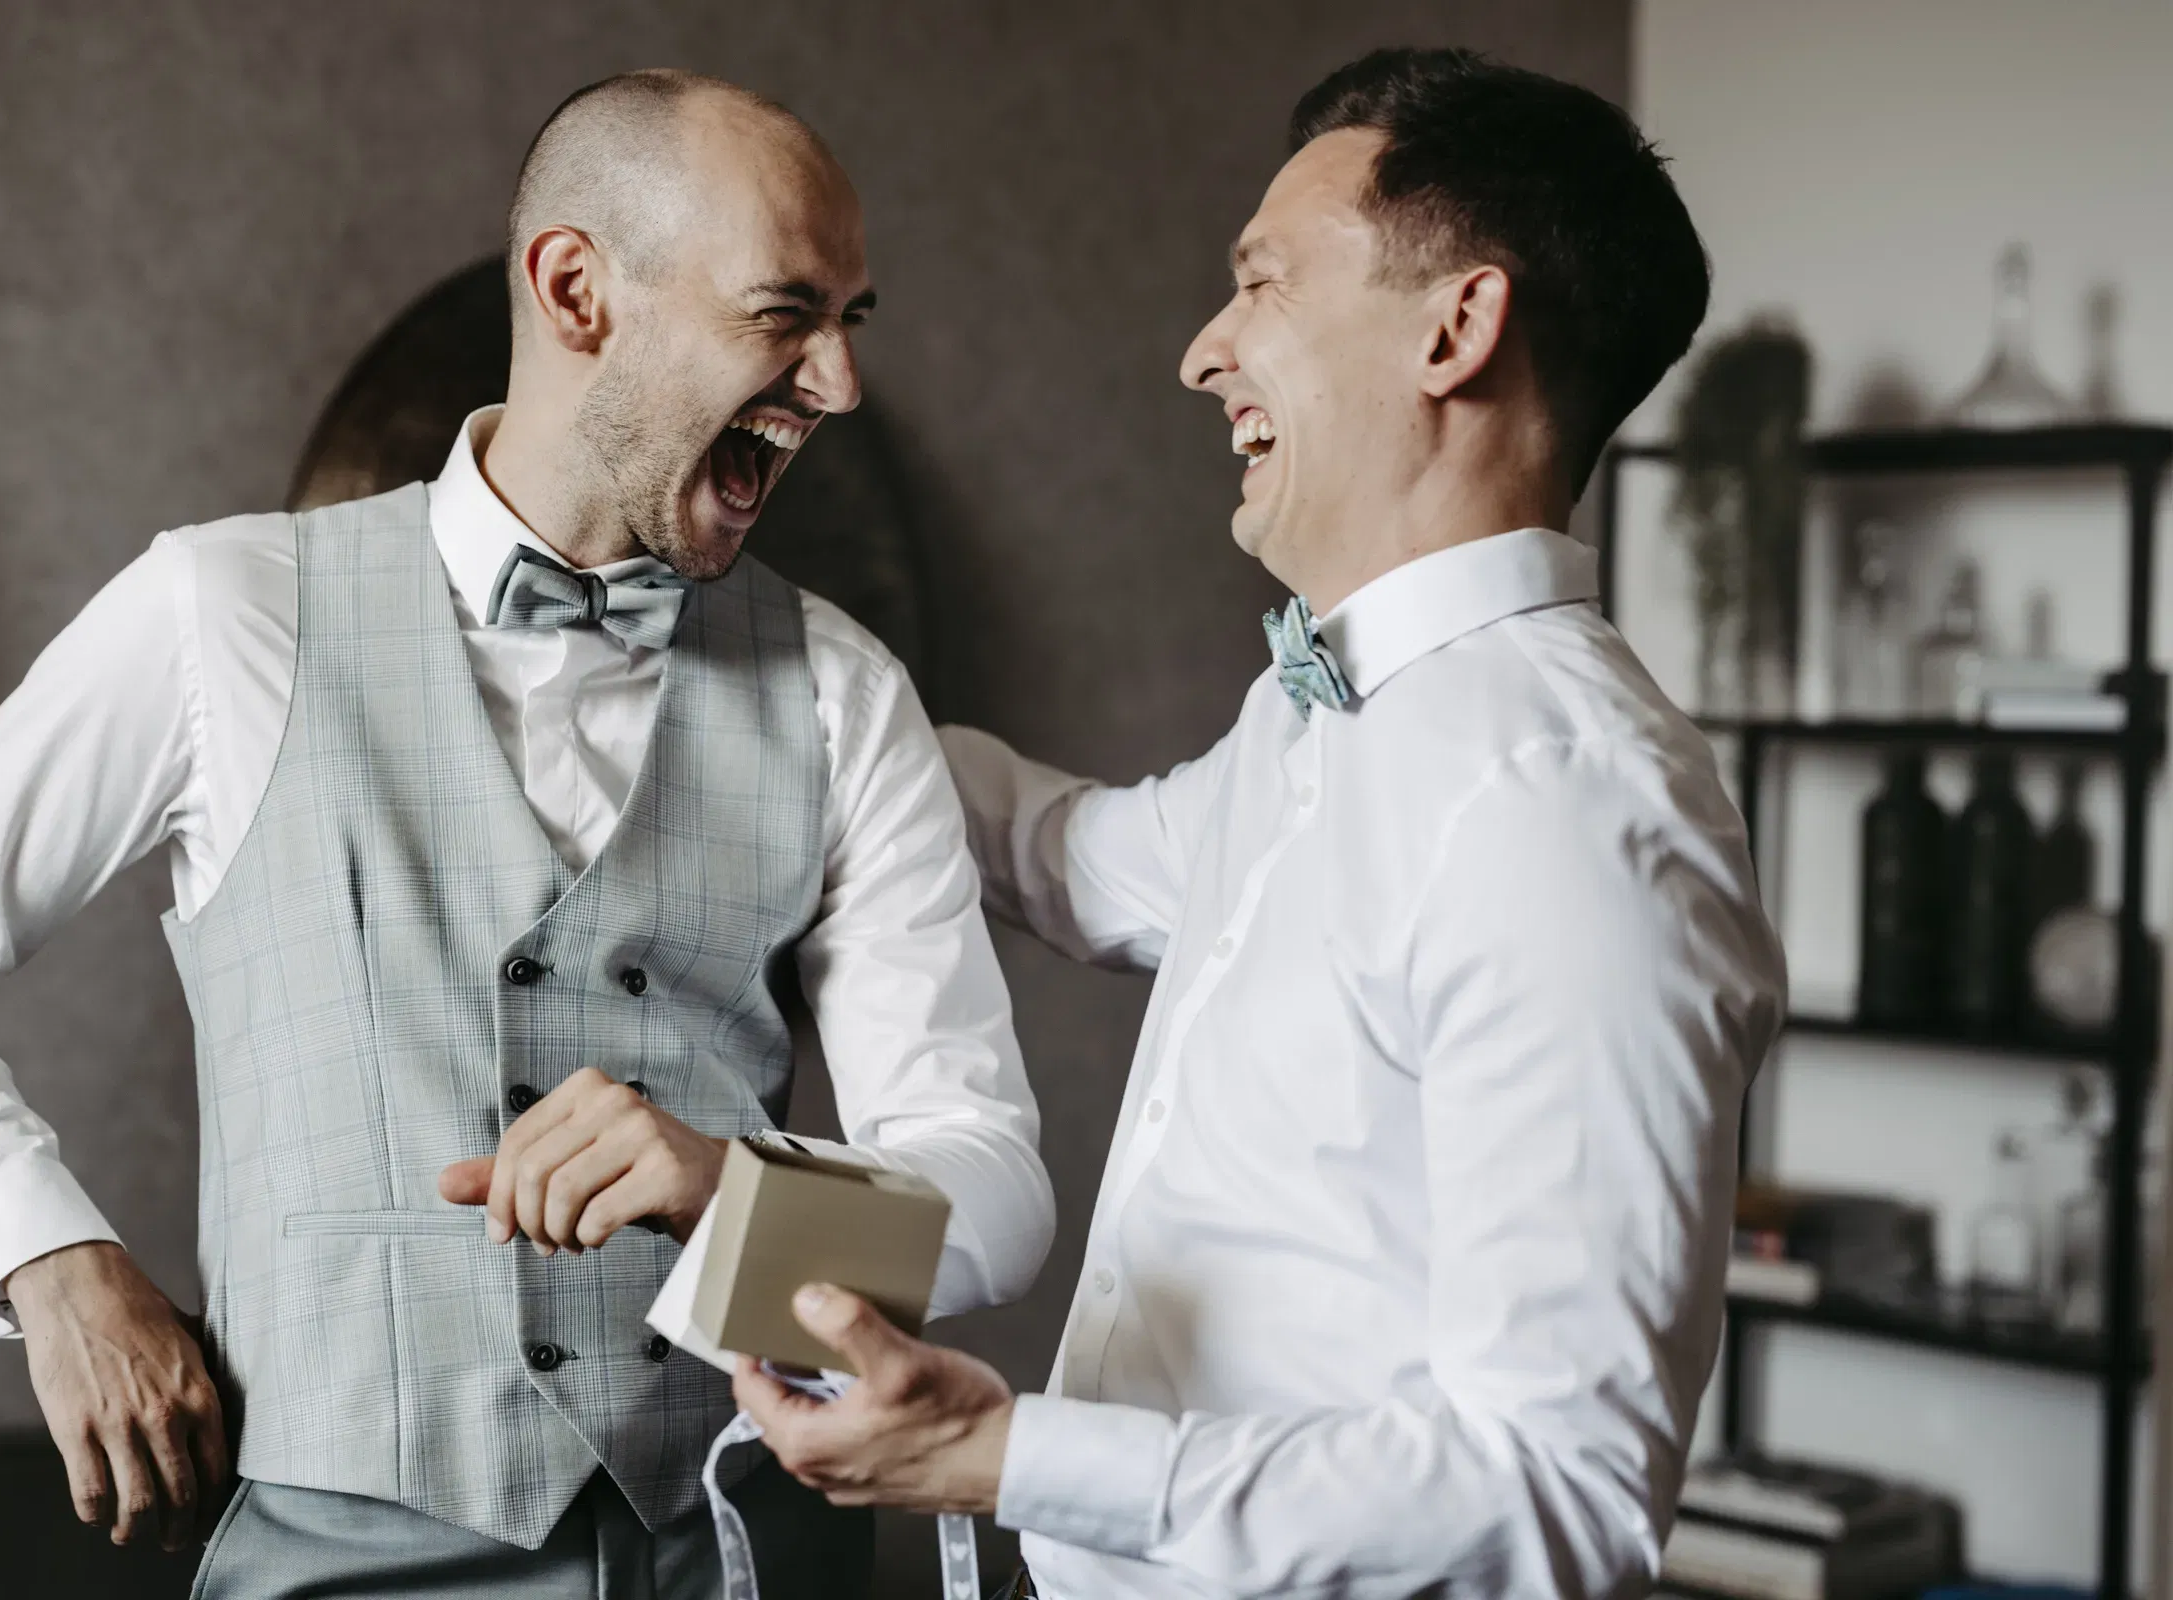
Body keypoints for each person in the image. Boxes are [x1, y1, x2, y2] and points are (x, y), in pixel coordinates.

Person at [0, 69, 1052, 1599]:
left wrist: (728, 1186)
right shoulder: (225, 610)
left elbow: (991, 1188)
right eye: (782, 315)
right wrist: (51, 1262)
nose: (838, 384)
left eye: (850, 323)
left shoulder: (840, 690)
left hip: (751, 1548)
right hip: (337, 1562)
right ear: (575, 291)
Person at [724, 47, 1787, 1600]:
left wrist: (1009, 1458)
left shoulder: (1571, 816)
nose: (1203, 353)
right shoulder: (1320, 709)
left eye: (1264, 285)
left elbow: (1558, 1493)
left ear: (1457, 327)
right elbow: (1075, 861)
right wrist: (806, 705)